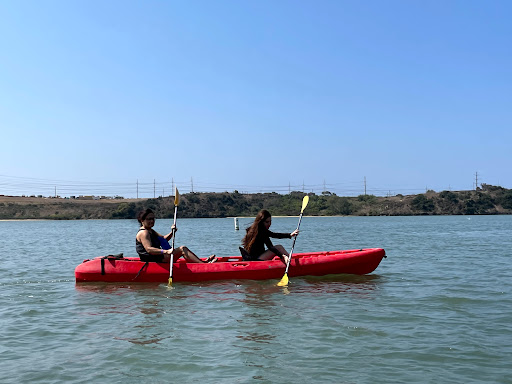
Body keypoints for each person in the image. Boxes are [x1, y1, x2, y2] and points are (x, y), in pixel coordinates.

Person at [135, 208, 217, 263]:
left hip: (159, 257)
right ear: (142, 220)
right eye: (149, 219)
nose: (152, 221)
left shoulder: (150, 231)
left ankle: (201, 262)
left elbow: (163, 239)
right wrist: (166, 251)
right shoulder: (144, 233)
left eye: (153, 219)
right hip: (154, 260)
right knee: (182, 249)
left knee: (182, 249)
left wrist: (172, 232)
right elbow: (149, 249)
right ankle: (203, 265)